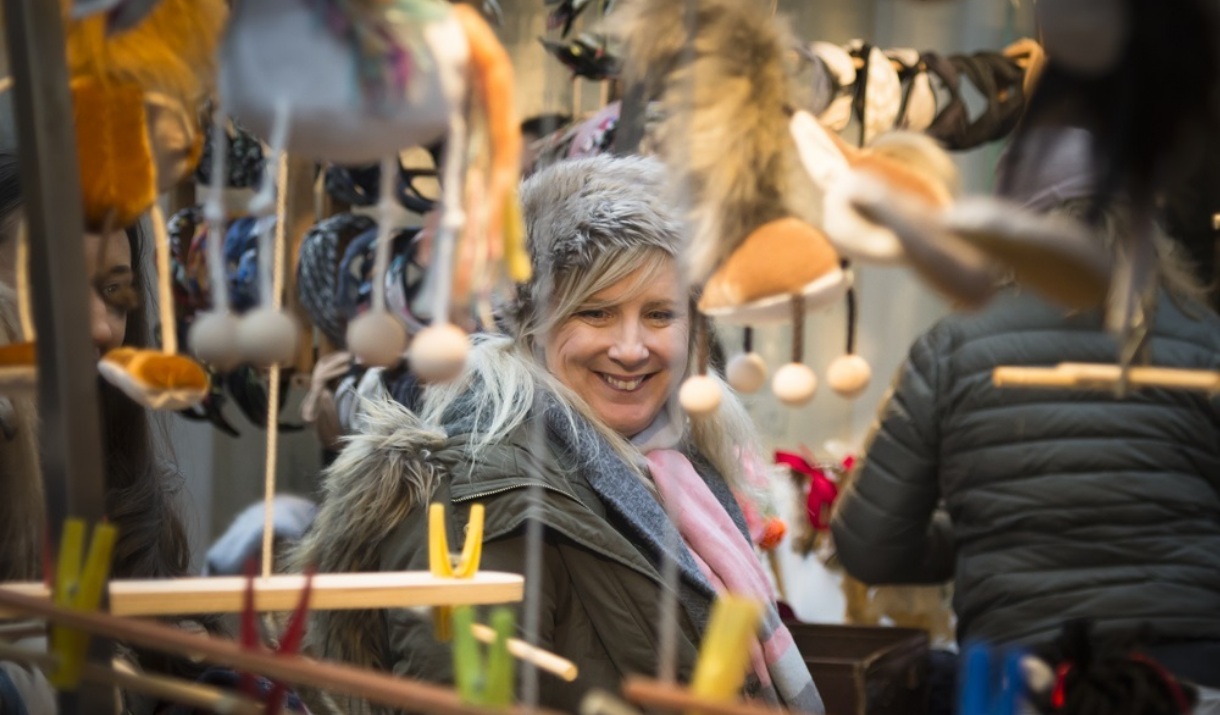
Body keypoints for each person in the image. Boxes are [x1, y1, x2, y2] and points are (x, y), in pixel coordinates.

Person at [292, 155, 824, 715]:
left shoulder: (676, 473)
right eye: (594, 312)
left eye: (659, 315)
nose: (630, 347)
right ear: (534, 326)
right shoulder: (484, 491)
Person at [831, 127, 1220, 693]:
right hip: (1188, 676)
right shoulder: (1208, 341)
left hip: (1017, 680)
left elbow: (868, 544)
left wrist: (984, 529)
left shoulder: (952, 348)